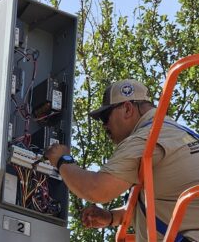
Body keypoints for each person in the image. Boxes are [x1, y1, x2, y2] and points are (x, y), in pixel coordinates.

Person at [45, 79, 199, 241]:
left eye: (105, 117)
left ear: (127, 109)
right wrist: (112, 217)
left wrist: (62, 159)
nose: (104, 127)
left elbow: (96, 189)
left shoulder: (145, 138)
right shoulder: (180, 133)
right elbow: (167, 204)